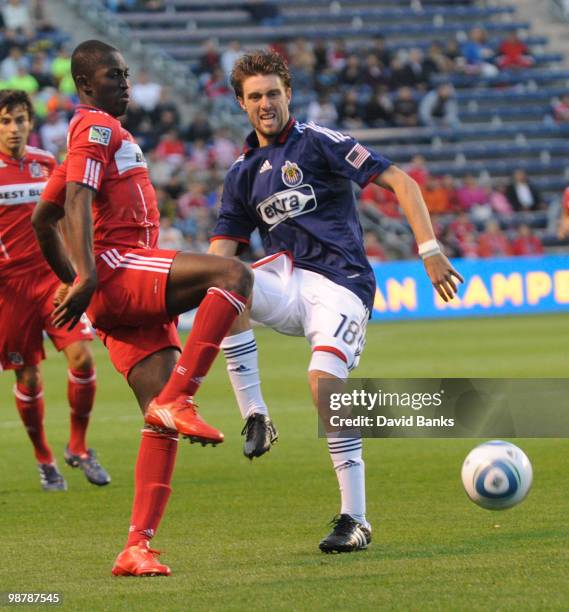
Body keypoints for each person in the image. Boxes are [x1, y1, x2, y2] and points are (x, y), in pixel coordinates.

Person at [208, 50, 463, 554]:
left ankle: (355, 519)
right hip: (287, 280)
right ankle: (255, 414)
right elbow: (219, 256)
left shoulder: (320, 142)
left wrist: (429, 249)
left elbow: (401, 182)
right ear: (240, 103)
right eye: (255, 96)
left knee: (325, 385)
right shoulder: (241, 173)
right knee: (224, 280)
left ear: (289, 94)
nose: (265, 103)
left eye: (273, 93)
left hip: (341, 283)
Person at [32, 40, 253, 577]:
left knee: (160, 423)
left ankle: (137, 548)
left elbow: (44, 216)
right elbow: (80, 202)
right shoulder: (96, 126)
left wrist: (73, 282)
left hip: (115, 283)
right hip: (121, 266)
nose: (126, 82)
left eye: (127, 73)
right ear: (86, 84)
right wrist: (86, 277)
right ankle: (183, 397)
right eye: (114, 75)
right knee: (234, 274)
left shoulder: (91, 137)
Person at [0, 89, 109, 491]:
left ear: (31, 122)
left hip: (52, 279)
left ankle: (78, 447)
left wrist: (76, 271)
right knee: (28, 380)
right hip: (9, 290)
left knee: (82, 359)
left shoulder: (47, 164)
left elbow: (63, 221)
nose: (14, 129)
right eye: (6, 121)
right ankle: (45, 459)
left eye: (20, 120)